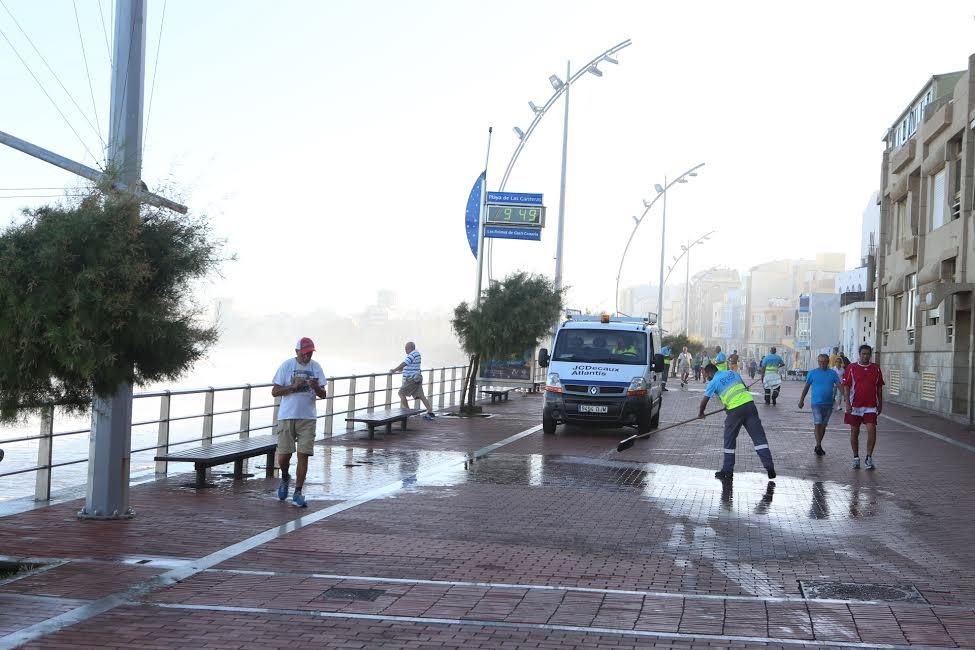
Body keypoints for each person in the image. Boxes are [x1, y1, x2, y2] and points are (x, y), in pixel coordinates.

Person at [271, 337, 328, 508]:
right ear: (297, 352)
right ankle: (285, 476)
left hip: (308, 418)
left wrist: (316, 387)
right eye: (304, 353)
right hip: (287, 416)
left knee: (303, 454)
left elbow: (324, 394)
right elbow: (274, 392)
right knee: (284, 456)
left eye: (310, 352)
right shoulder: (286, 366)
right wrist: (293, 387)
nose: (307, 356)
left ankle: (298, 491)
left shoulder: (316, 367)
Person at [699, 363, 776, 480]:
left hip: (735, 411)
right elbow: (743, 388)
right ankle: (770, 467)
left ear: (709, 372)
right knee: (759, 439)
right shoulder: (732, 373)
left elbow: (705, 400)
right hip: (750, 406)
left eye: (704, 374)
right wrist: (728, 404)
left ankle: (727, 471)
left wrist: (701, 413)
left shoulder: (713, 382)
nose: (705, 376)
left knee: (729, 440)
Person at [842, 344, 884, 470]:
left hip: (870, 406)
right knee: (855, 432)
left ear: (870, 355)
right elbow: (846, 386)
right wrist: (848, 404)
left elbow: (879, 387)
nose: (865, 356)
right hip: (855, 406)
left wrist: (880, 403)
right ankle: (856, 457)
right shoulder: (851, 368)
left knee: (872, 430)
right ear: (859, 355)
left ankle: (869, 457)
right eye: (863, 354)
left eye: (867, 354)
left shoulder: (876, 369)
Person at [798, 354, 842, 456]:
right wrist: (801, 400)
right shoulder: (812, 373)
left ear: (828, 362)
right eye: (820, 362)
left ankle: (818, 445)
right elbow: (806, 387)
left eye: (824, 362)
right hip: (816, 403)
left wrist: (848, 400)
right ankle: (818, 445)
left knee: (823, 425)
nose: (822, 364)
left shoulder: (833, 373)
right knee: (818, 423)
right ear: (818, 362)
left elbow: (840, 386)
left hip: (828, 404)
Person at [390, 341, 436, 420]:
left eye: (406, 349)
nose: (405, 351)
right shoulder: (416, 354)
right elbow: (409, 365)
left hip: (411, 379)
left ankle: (408, 412)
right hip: (417, 378)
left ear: (410, 348)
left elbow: (404, 363)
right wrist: (401, 370)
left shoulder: (412, 354)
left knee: (401, 393)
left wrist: (394, 370)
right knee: (421, 396)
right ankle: (430, 411)